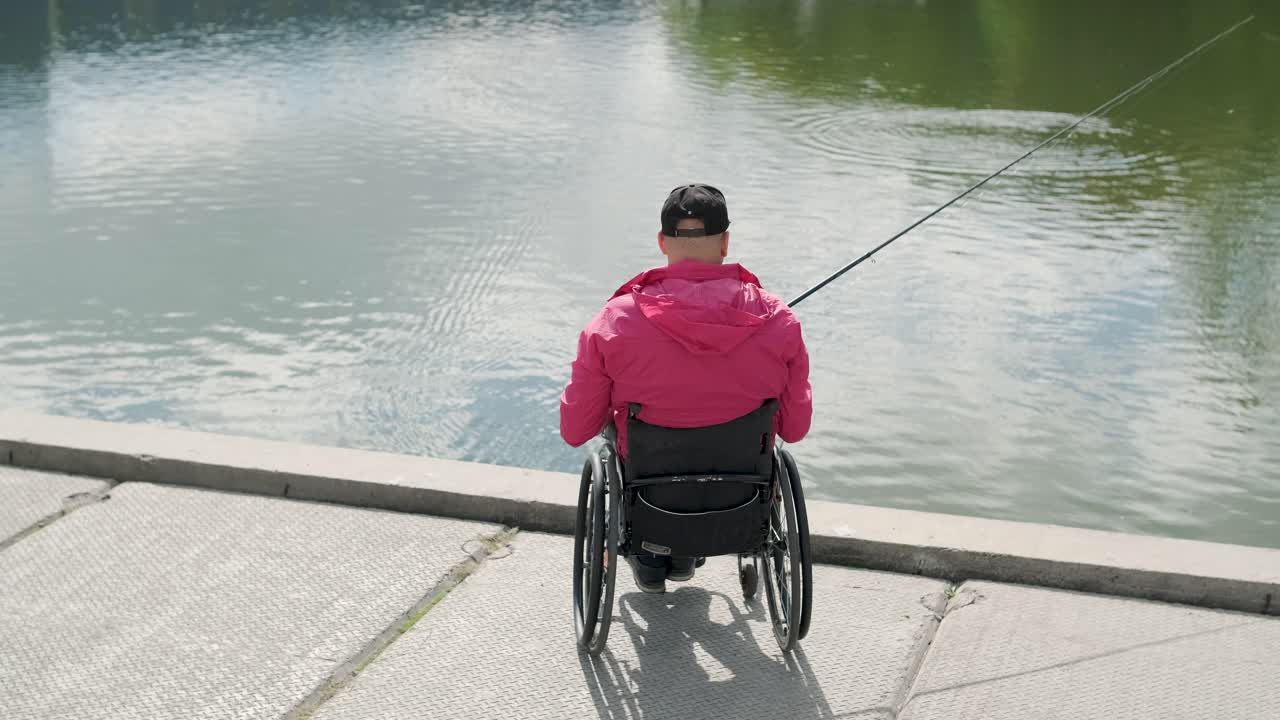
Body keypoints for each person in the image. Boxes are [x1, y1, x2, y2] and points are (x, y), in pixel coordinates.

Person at [559, 183, 813, 593]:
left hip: (649, 482)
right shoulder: (780, 321)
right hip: (741, 487)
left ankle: (655, 552)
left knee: (613, 425)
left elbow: (575, 429)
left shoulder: (614, 321)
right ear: (725, 242)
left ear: (662, 242)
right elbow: (795, 429)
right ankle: (686, 553)